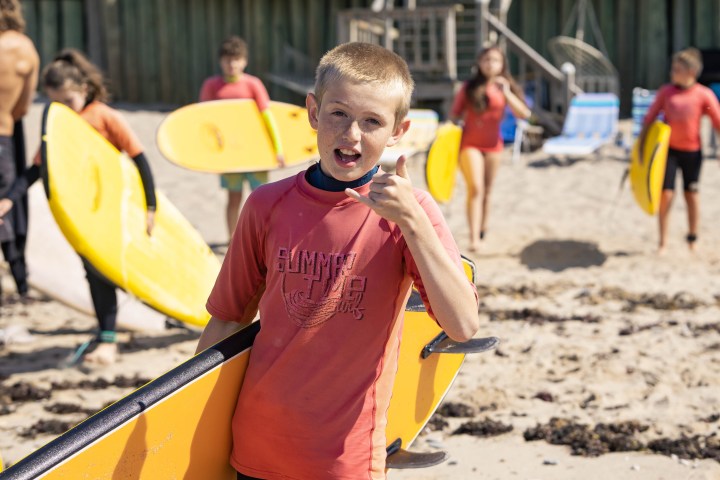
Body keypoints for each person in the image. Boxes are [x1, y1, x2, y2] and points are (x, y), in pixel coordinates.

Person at [195, 42, 479, 480]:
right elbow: (226, 322)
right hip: (252, 447)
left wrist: (413, 223)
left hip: (346, 460)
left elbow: (461, 324)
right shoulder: (266, 204)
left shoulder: (409, 211)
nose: (351, 135)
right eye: (338, 114)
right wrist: (194, 433)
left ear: (398, 131)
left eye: (372, 122)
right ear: (312, 111)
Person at [0, 49, 157, 365]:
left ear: (83, 89)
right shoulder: (59, 127)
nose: (64, 109)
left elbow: (140, 159)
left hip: (110, 207)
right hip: (82, 213)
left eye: (68, 101)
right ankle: (106, 334)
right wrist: (8, 199)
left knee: (101, 272)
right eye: (56, 103)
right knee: (92, 272)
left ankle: (109, 340)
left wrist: (150, 207)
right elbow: (36, 170)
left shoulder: (104, 116)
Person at [199, 35, 284, 240]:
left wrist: (278, 149)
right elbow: (202, 122)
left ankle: (264, 239)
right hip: (229, 154)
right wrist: (205, 154)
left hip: (256, 152)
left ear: (244, 61)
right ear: (221, 61)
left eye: (236, 59)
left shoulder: (253, 84)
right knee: (234, 198)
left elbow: (267, 118)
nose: (232, 64)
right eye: (228, 60)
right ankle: (232, 241)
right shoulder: (212, 86)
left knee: (263, 198)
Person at [449, 46, 530, 251]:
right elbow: (454, 115)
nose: (490, 64)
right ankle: (474, 237)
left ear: (502, 64)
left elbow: (524, 114)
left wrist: (507, 93)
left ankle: (483, 229)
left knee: (487, 191)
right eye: (486, 60)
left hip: (494, 145)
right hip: (470, 144)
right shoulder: (468, 87)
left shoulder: (506, 86)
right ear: (479, 63)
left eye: (495, 60)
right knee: (475, 188)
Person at [640, 47, 720, 254]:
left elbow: (717, 122)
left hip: (693, 152)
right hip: (669, 152)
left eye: (677, 69)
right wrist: (641, 146)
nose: (672, 73)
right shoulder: (666, 92)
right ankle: (663, 242)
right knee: (666, 195)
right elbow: (649, 119)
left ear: (691, 72)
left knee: (691, 194)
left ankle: (692, 238)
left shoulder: (703, 94)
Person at [0, 0, 39, 301]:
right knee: (7, 204)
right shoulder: (23, 48)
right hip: (5, 133)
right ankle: (20, 280)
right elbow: (23, 107)